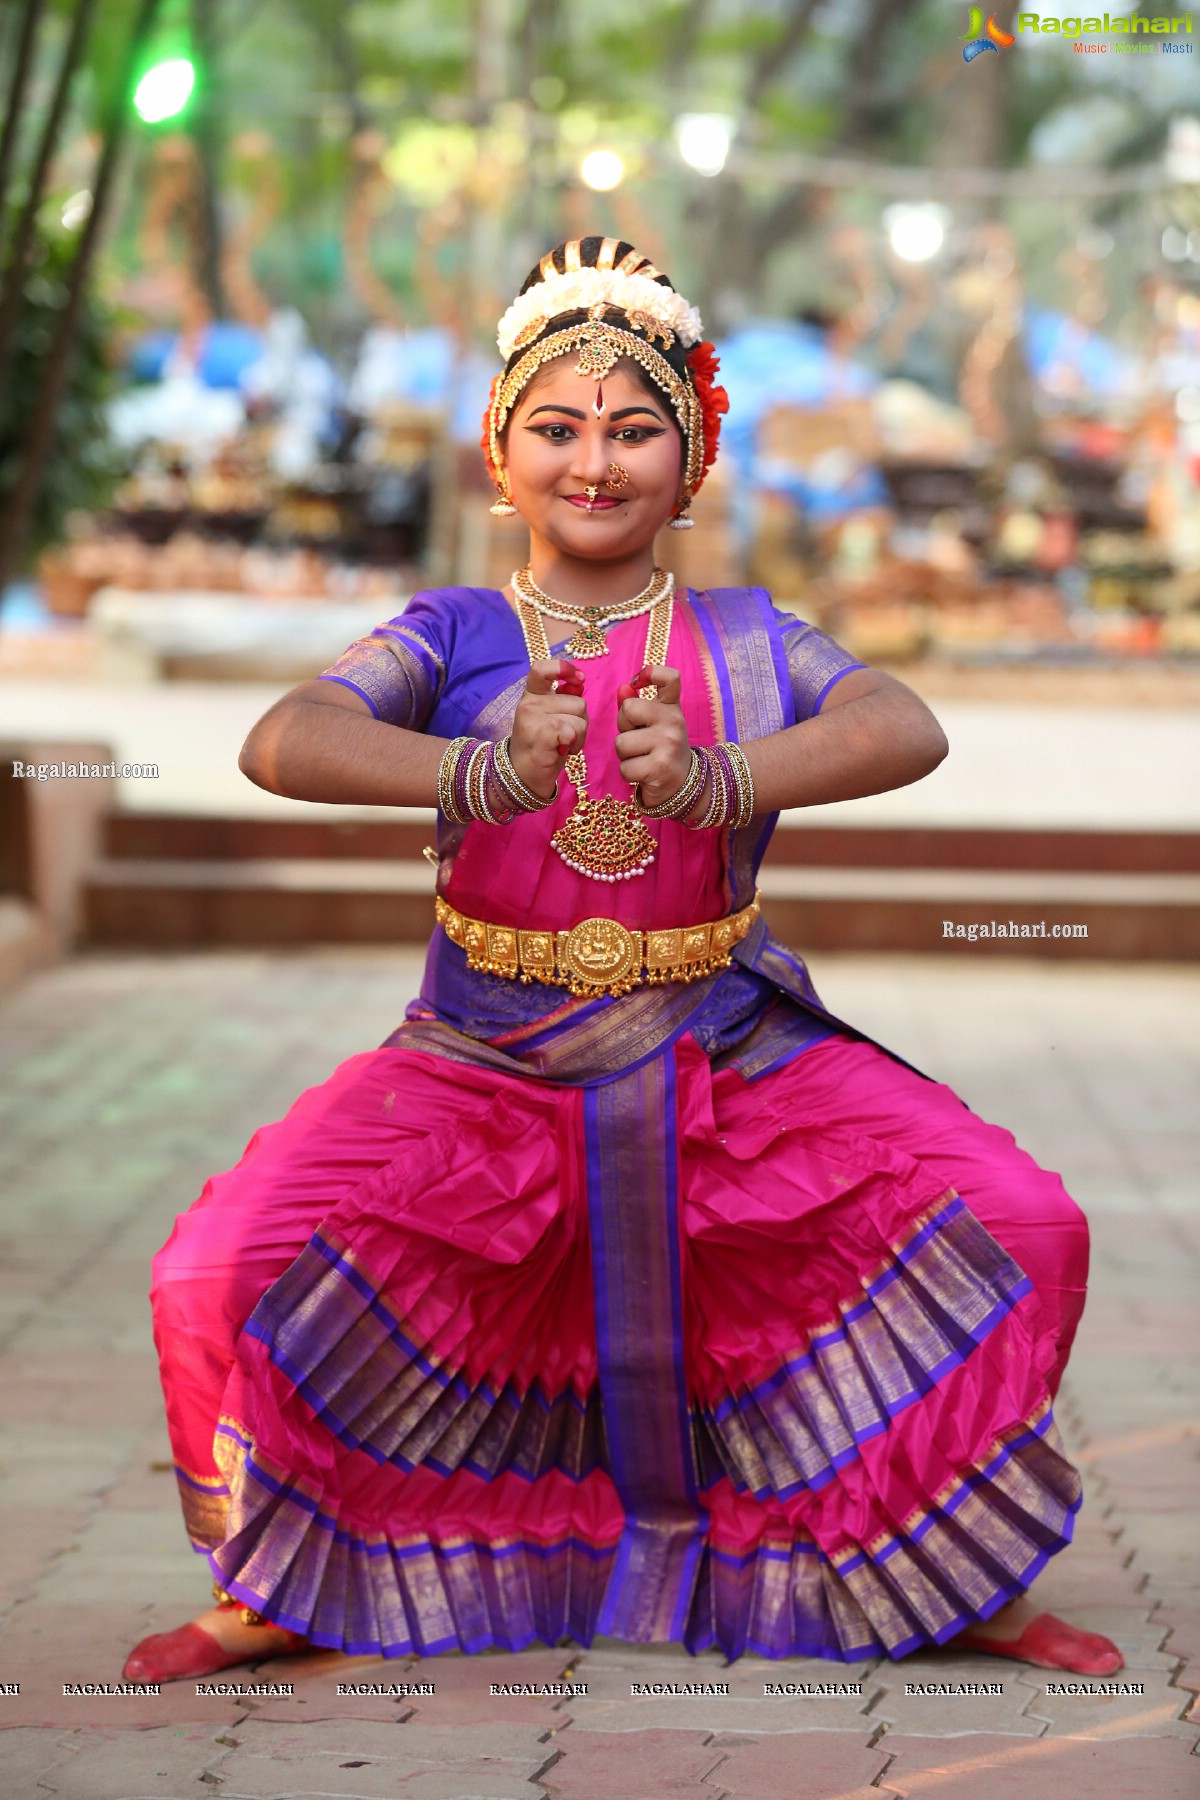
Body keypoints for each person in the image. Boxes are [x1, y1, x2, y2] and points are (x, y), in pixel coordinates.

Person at [125, 237, 1121, 1684]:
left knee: (1026, 1224)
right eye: (560, 427)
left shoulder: (743, 634)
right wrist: (475, 769)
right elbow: (282, 740)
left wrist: (721, 777)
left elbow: (906, 723)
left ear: (693, 455)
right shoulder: (456, 630)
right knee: (216, 1268)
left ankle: (937, 1568)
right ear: (502, 452)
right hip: (478, 1057)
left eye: (635, 429)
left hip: (726, 1049)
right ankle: (277, 1574)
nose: (596, 462)